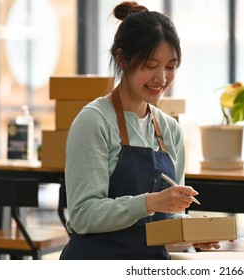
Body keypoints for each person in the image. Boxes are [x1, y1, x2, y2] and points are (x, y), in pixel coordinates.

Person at [60, 1, 219, 260]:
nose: (162, 78)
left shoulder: (171, 131)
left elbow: (168, 220)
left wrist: (191, 234)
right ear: (122, 59)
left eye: (170, 66)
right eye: (149, 65)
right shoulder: (95, 121)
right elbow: (82, 215)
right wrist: (150, 202)